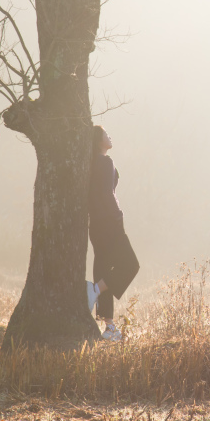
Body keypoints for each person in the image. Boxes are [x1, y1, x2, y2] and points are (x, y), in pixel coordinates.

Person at [86, 125, 140, 341]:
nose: (110, 136)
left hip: (95, 224)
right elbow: (108, 193)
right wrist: (117, 216)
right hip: (110, 221)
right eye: (106, 134)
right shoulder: (105, 161)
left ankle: (109, 327)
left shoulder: (88, 164)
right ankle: (94, 290)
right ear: (99, 141)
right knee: (130, 265)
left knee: (104, 268)